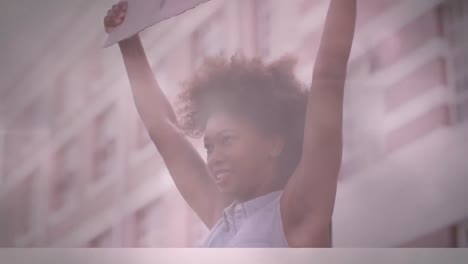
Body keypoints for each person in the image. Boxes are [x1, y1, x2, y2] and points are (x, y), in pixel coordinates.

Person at [103, 0, 356, 247]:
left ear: (273, 143)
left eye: (227, 140)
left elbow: (329, 75)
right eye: (209, 147)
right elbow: (162, 128)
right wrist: (127, 36)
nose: (214, 158)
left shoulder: (297, 212)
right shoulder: (223, 219)